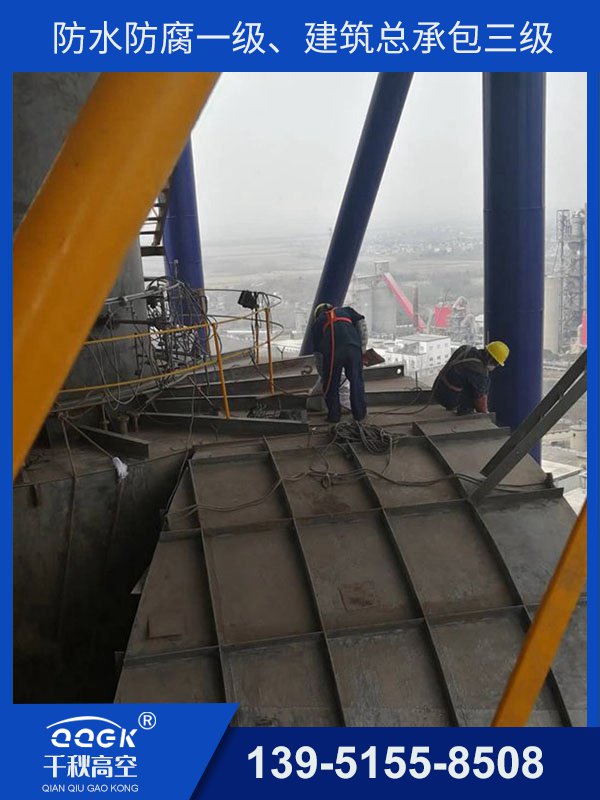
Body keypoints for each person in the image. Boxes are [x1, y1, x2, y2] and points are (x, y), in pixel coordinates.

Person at [311, 302, 368, 424]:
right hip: (353, 348)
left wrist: (323, 375)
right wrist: (362, 347)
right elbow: (361, 323)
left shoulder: (318, 322)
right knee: (356, 380)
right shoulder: (347, 311)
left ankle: (334, 416)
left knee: (331, 383)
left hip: (333, 351)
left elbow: (318, 354)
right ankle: (359, 414)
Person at [433, 341, 510, 415]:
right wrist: (485, 413)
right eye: (496, 363)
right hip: (446, 398)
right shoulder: (479, 372)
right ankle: (464, 411)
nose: (495, 366)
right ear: (491, 359)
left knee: (468, 381)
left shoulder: (466, 348)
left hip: (437, 388)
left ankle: (452, 401)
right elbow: (481, 403)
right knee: (478, 391)